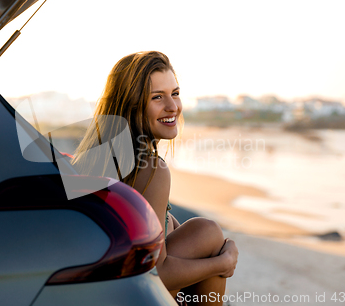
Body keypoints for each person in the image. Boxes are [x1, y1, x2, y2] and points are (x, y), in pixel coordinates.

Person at [73, 51, 238, 305]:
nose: (173, 106)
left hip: (95, 289)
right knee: (208, 232)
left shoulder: (99, 156)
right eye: (157, 97)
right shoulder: (150, 169)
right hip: (123, 293)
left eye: (175, 93)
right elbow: (154, 273)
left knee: (194, 229)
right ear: (132, 104)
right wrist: (222, 262)